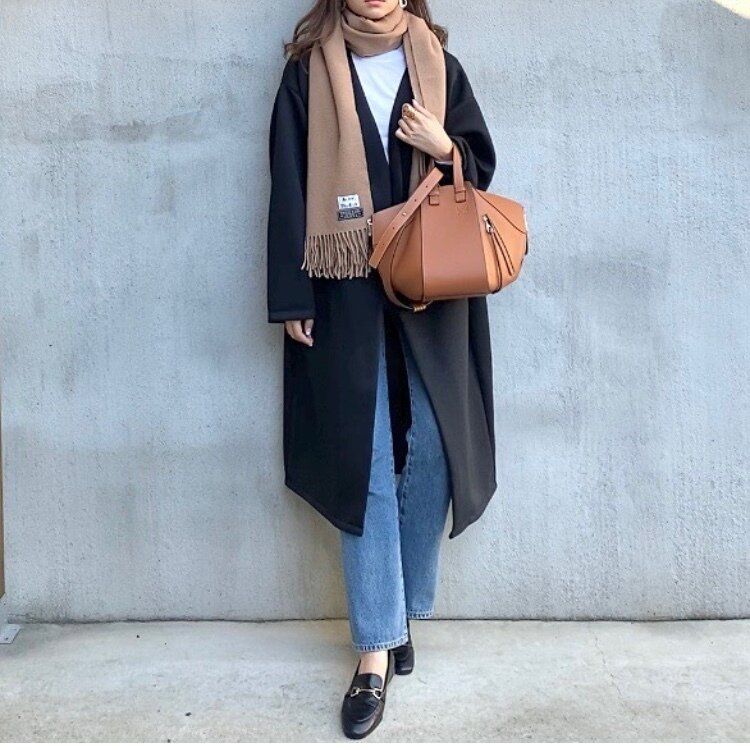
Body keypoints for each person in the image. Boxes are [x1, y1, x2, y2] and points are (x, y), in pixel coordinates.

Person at [267, 0, 496, 738]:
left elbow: (480, 167)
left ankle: (398, 610)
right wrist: (291, 296)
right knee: (360, 458)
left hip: (433, 283)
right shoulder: (308, 72)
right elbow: (288, 180)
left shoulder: (439, 65)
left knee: (436, 448)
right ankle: (374, 651)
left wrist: (445, 146)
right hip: (341, 291)